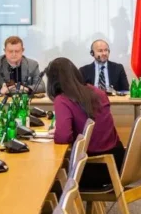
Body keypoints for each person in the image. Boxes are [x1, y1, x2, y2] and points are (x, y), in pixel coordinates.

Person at [46, 57, 125, 189]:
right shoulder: (97, 91)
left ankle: (59, 208)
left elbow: (63, 137)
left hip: (93, 166)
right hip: (117, 161)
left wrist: (60, 131)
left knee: (49, 177)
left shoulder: (62, 99)